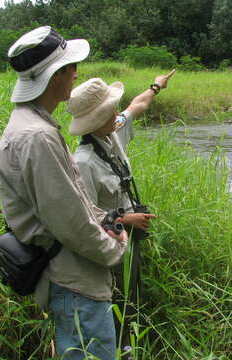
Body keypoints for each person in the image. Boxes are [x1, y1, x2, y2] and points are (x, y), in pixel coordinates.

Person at [0, 26, 128, 360]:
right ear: (55, 76)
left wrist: (105, 218)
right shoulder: (37, 137)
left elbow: (74, 200)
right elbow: (68, 220)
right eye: (71, 67)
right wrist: (113, 248)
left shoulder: (31, 126)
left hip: (70, 277)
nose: (76, 73)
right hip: (75, 282)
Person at [67, 70, 175, 353]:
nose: (117, 111)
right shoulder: (84, 162)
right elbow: (86, 216)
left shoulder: (111, 134)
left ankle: (131, 339)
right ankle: (122, 347)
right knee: (117, 295)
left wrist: (156, 85)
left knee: (132, 289)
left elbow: (136, 105)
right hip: (111, 241)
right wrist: (126, 219)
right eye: (110, 108)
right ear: (97, 119)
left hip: (131, 231)